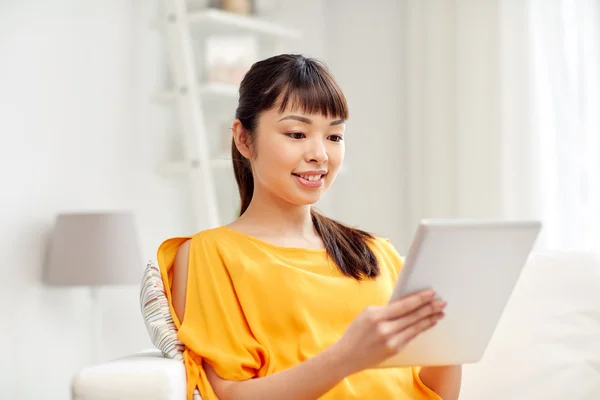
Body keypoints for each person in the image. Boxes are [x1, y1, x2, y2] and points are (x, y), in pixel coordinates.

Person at [157, 54, 462, 400]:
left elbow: (434, 393)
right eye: (297, 133)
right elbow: (226, 394)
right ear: (244, 139)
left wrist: (454, 339)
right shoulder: (209, 255)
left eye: (334, 136)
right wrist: (345, 358)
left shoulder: (377, 253)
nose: (319, 154)